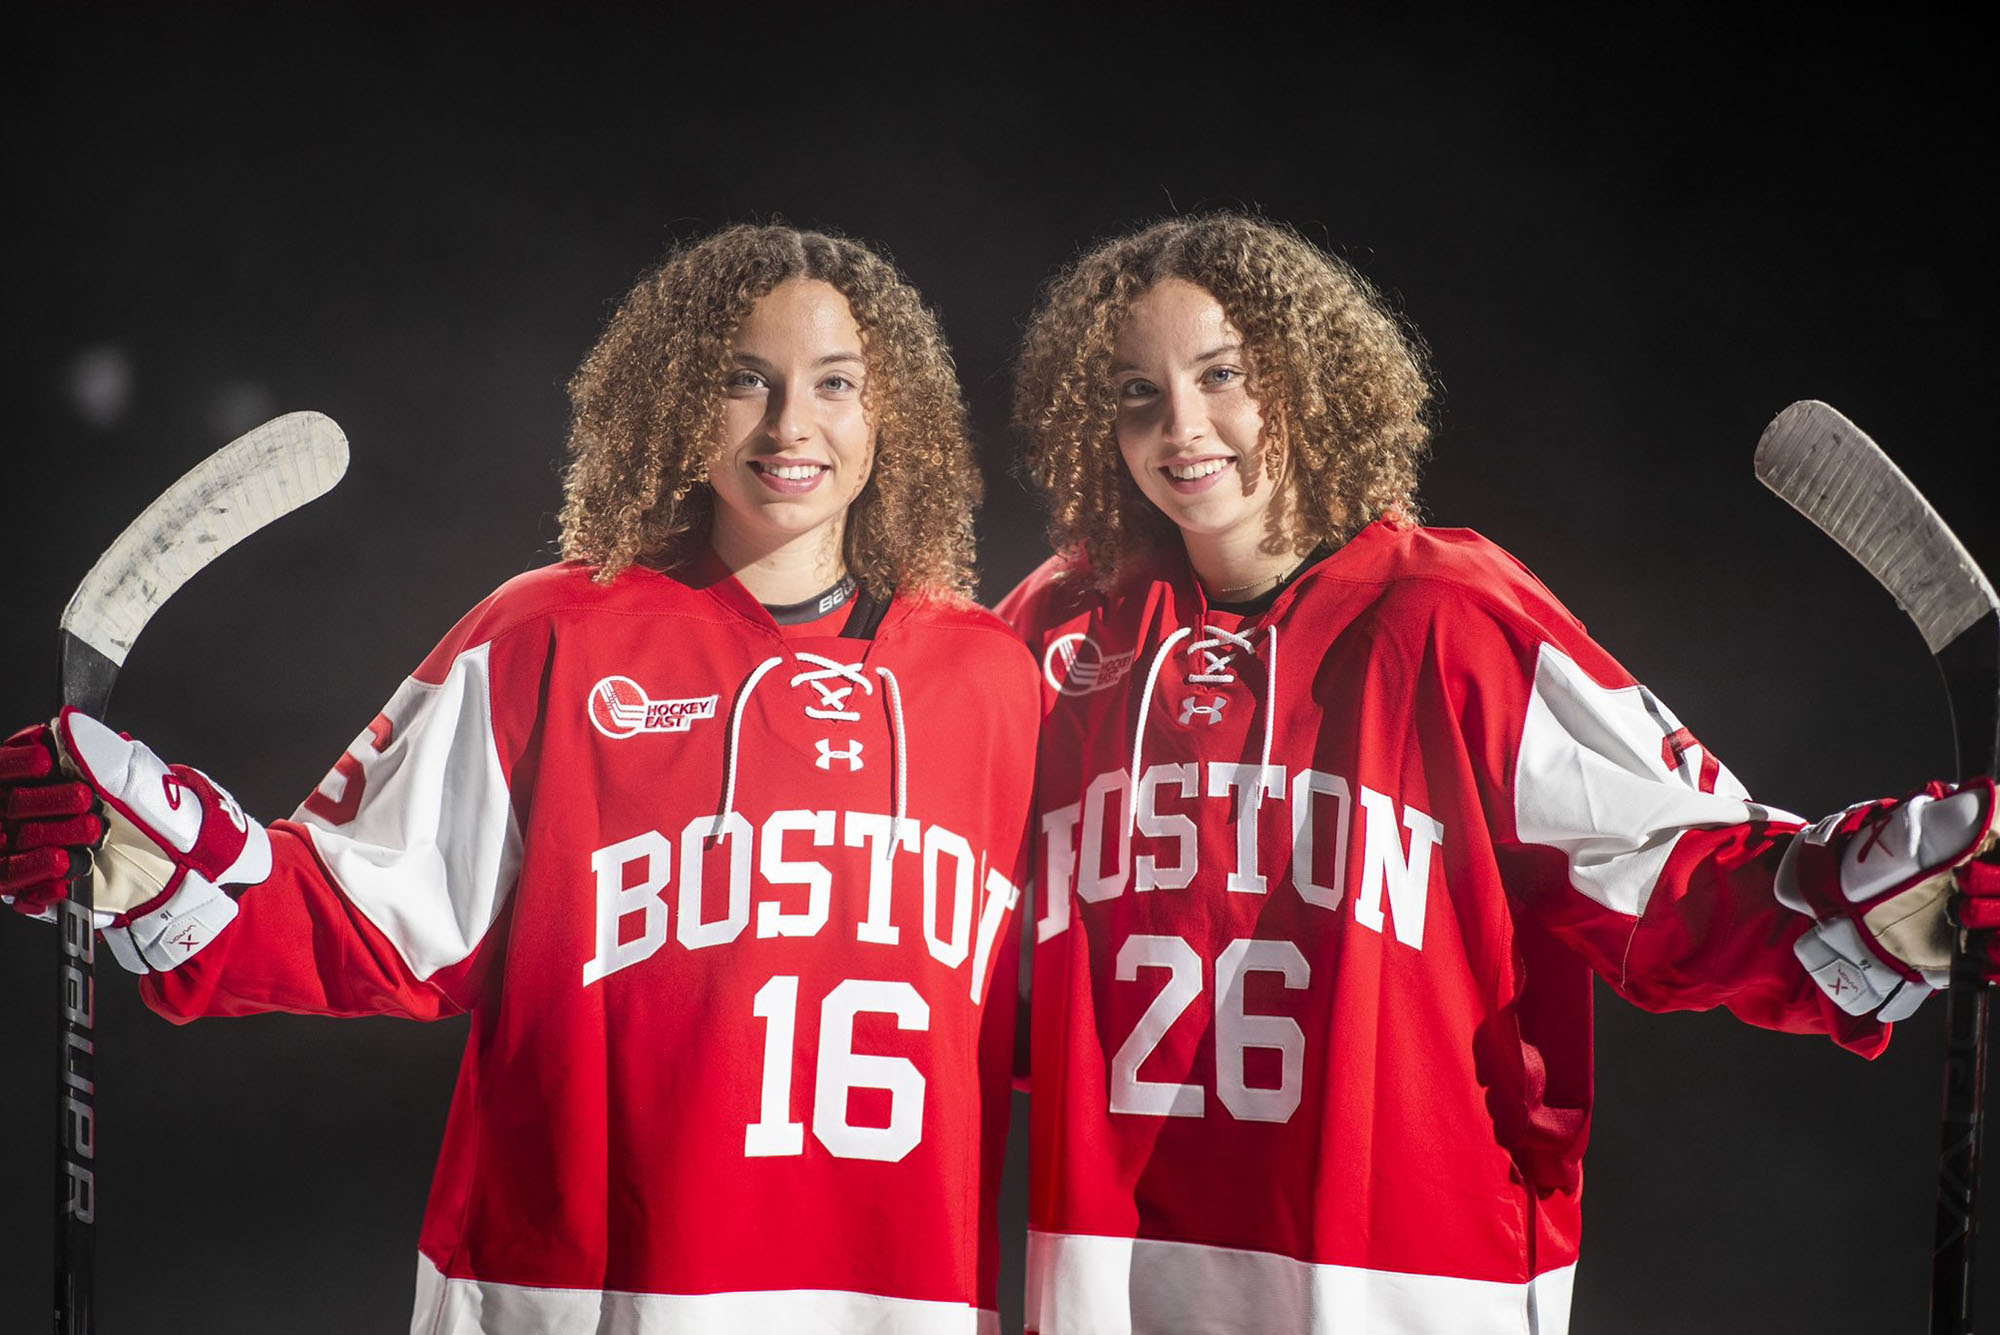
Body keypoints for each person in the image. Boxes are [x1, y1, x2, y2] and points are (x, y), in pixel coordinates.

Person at [0, 224, 1038, 1335]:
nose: (790, 424)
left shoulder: (990, 679)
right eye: (744, 379)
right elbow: (364, 915)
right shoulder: (551, 632)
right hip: (571, 1299)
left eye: (836, 382)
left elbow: (1075, 1005)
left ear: (896, 412)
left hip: (899, 1302)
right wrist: (167, 855)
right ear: (675, 402)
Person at [997, 211, 2000, 1335]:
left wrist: (1885, 891)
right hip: (1110, 1285)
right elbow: (926, 897)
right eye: (1137, 391)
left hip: (1402, 1289)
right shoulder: (1060, 631)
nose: (1181, 425)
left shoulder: (1452, 613)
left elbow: (1668, 868)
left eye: (1223, 373)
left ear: (1310, 377)